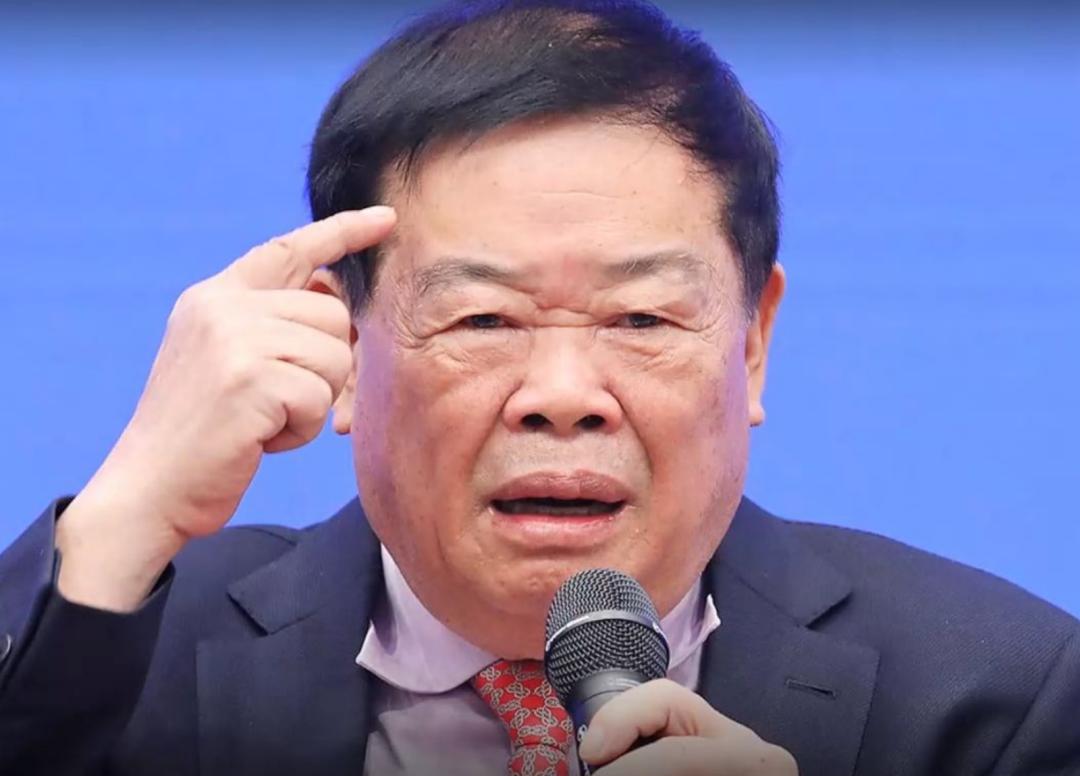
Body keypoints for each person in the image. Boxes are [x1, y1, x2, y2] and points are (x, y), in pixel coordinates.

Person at [1, 1, 1077, 774]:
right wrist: (119, 519)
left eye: (641, 318)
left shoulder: (997, 697)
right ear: (343, 342)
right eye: (484, 319)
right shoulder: (125, 663)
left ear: (752, 342)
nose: (562, 395)